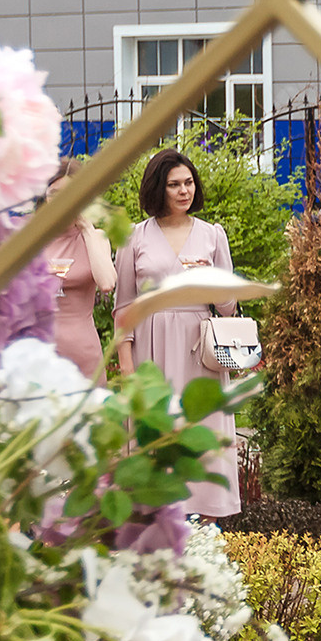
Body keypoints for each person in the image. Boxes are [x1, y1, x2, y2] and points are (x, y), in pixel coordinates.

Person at [115, 148, 241, 515]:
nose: (184, 191)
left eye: (188, 183)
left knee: (203, 432)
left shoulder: (212, 235)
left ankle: (206, 529)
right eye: (174, 185)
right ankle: (158, 527)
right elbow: (124, 307)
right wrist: (127, 368)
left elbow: (229, 306)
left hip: (199, 348)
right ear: (158, 188)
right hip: (150, 350)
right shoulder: (134, 238)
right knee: (156, 434)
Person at [42, 156, 118, 384]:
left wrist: (86, 227)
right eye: (54, 194)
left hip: (82, 351)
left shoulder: (96, 238)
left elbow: (107, 283)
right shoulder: (31, 239)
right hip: (39, 350)